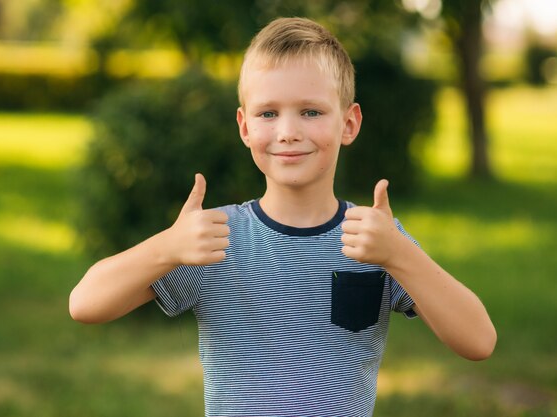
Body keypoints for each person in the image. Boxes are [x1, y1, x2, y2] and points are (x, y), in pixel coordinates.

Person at [69, 17, 496, 417]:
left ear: (348, 124)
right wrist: (167, 246)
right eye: (268, 113)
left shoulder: (376, 239)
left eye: (310, 112)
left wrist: (400, 254)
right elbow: (85, 304)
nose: (288, 131)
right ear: (245, 127)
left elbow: (479, 341)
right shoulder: (214, 239)